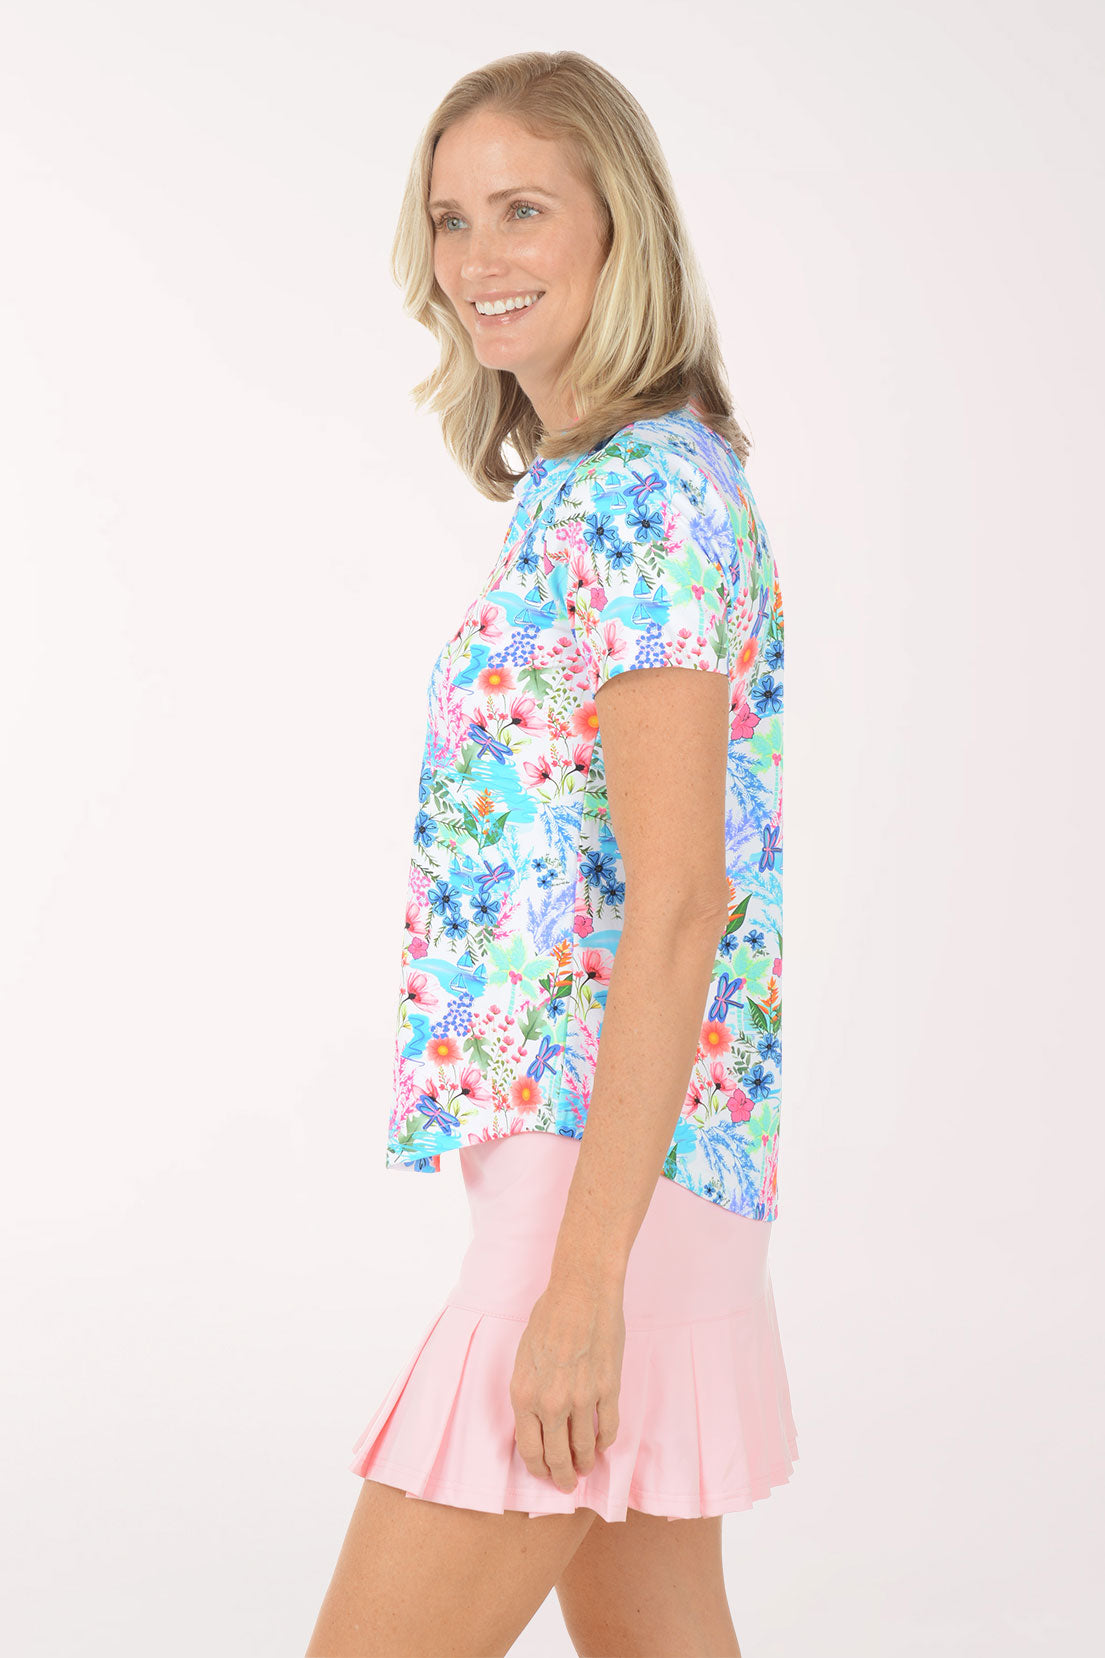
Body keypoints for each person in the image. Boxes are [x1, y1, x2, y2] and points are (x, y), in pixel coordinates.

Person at [306, 48, 796, 1658]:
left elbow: (678, 906)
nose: (476, 258)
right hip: (628, 1186)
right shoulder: (589, 489)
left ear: (618, 231)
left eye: (523, 209)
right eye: (451, 219)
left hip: (606, 1201)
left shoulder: (643, 498)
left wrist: (580, 1280)